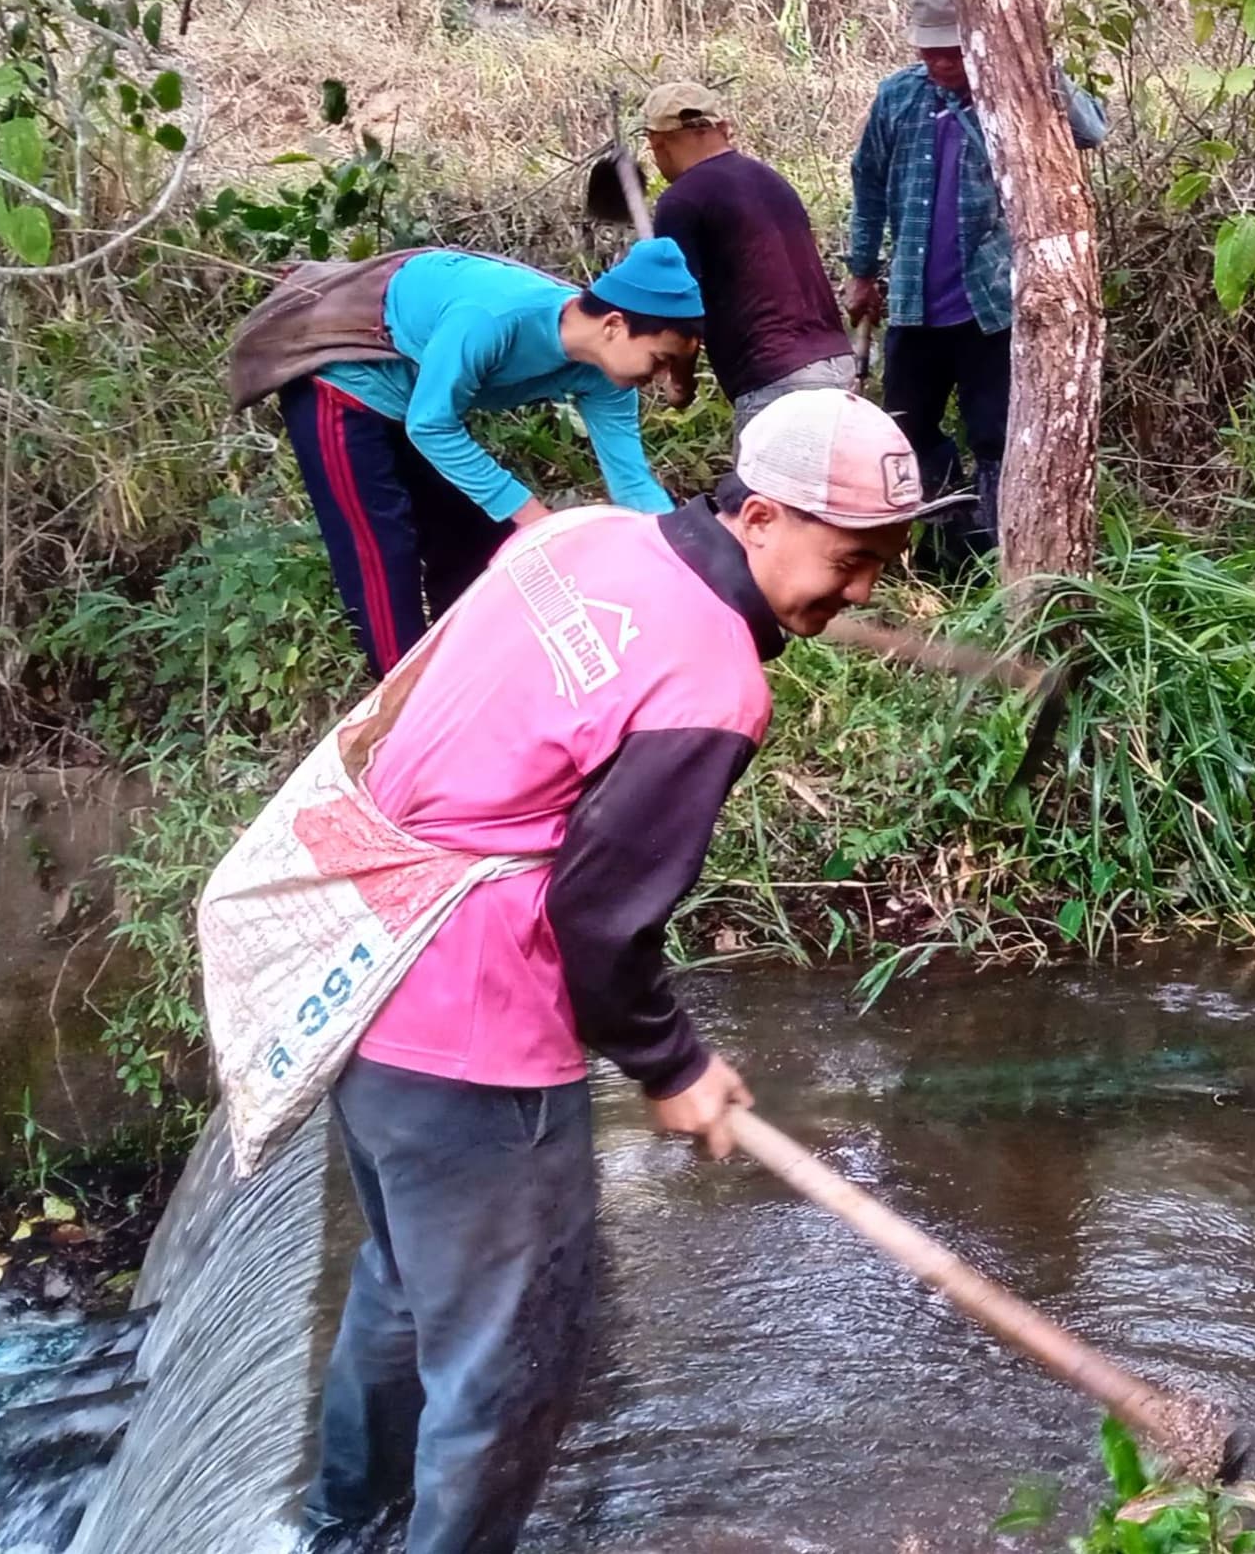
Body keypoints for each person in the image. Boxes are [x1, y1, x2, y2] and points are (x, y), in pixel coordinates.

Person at [297, 387, 936, 1554]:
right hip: (476, 1031)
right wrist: (672, 1060)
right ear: (757, 519)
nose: (859, 593)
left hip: (365, 958)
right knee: (507, 1365)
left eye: (880, 566)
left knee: (401, 1285)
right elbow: (595, 917)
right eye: (848, 559)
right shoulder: (713, 686)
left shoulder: (585, 535)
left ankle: (341, 1525)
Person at [225, 239, 704, 672]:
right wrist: (535, 518)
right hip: (346, 389)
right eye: (660, 361)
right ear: (615, 326)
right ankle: (400, 710)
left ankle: (465, 680)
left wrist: (690, 562)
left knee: (473, 543)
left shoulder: (608, 377)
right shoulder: (492, 317)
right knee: (384, 559)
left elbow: (633, 486)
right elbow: (431, 424)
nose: (661, 379)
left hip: (417, 398)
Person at [839, 0, 1110, 575]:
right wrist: (862, 270)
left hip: (991, 308)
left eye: (952, 51)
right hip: (914, 303)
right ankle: (941, 552)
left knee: (995, 435)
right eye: (928, 50)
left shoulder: (1014, 98)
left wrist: (1034, 65)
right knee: (907, 427)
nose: (938, 63)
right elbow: (869, 185)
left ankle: (996, 557)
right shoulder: (899, 98)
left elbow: (1091, 130)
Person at [640, 80, 862, 432]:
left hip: (776, 377)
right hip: (836, 362)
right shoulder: (769, 180)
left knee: (765, 488)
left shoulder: (681, 201)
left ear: (657, 142)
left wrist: (680, 380)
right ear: (722, 129)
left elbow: (680, 309)